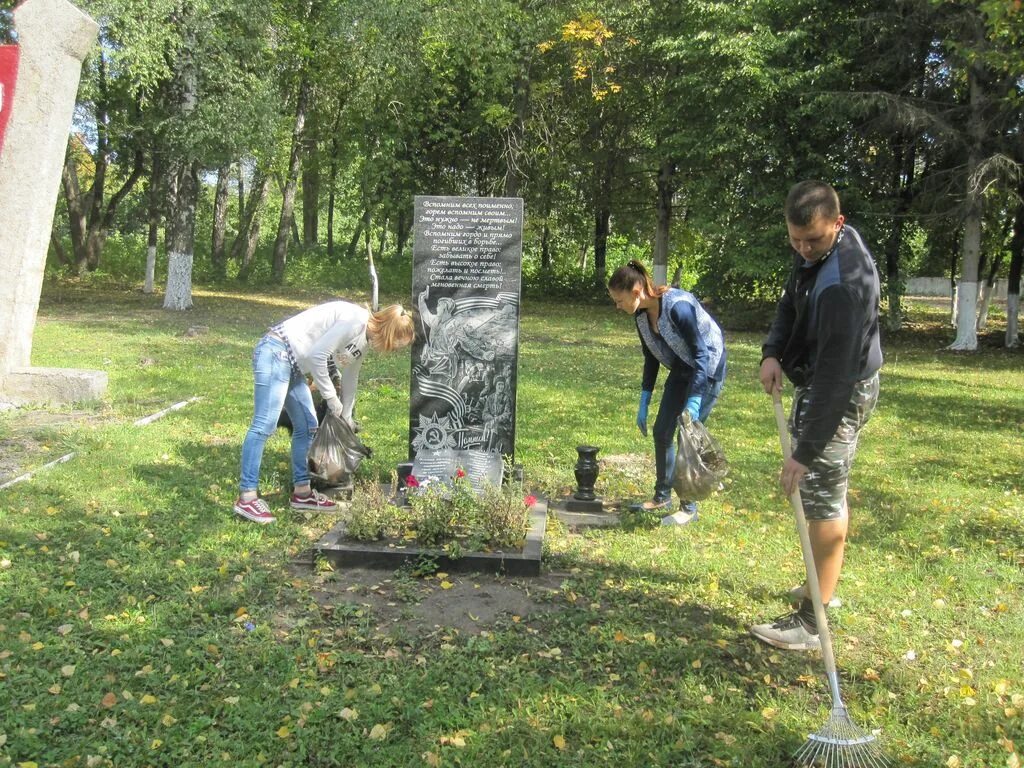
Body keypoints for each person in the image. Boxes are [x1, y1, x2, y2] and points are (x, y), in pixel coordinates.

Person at [750, 180, 882, 651]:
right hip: (832, 381)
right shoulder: (816, 252)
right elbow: (790, 300)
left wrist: (804, 453)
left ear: (838, 225)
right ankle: (819, 586)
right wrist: (773, 353)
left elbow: (834, 381)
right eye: (795, 240)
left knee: (820, 495)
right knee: (828, 491)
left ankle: (811, 622)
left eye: (814, 241)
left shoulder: (843, 286)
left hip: (841, 392)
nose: (803, 250)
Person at [234, 301, 414, 524]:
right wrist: (331, 398)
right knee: (264, 425)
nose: (392, 350)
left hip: (293, 365)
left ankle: (302, 492)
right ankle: (247, 497)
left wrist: (346, 414)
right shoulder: (354, 320)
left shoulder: (363, 338)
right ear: (388, 332)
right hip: (276, 352)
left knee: (308, 425)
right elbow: (317, 356)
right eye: (395, 345)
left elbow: (351, 376)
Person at [607, 261, 727, 526]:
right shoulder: (641, 317)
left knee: (688, 435)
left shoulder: (678, 307)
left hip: (708, 367)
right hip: (683, 367)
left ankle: (689, 507)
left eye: (619, 300)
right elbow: (650, 357)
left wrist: (695, 399)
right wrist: (645, 398)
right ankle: (662, 496)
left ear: (637, 291)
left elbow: (701, 353)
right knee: (662, 431)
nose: (618, 306)